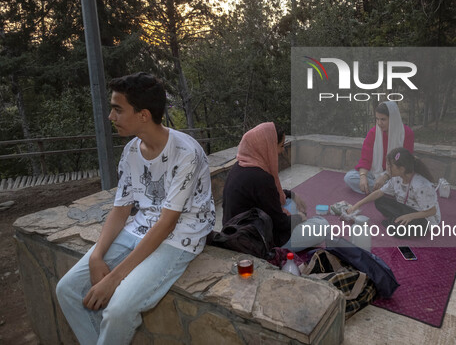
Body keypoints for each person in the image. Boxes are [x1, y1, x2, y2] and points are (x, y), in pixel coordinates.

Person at [56, 73, 215, 345]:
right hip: (140, 227)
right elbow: (121, 208)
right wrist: (97, 256)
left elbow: (167, 224)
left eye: (118, 109)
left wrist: (114, 279)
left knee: (119, 309)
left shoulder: (186, 153)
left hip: (180, 236)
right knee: (67, 289)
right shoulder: (131, 150)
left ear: (143, 115)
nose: (110, 116)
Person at [222, 122, 327, 251]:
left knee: (290, 203)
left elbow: (267, 196)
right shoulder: (261, 178)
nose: (282, 150)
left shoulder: (241, 166)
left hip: (237, 229)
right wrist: (300, 218)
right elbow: (280, 223)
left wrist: (292, 195)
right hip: (256, 241)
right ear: (268, 146)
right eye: (281, 146)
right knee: (322, 225)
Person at [347, 147, 440, 238]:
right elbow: (379, 192)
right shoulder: (396, 178)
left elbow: (432, 211)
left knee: (396, 230)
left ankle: (396, 222)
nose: (387, 168)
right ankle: (396, 220)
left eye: (390, 165)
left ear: (402, 169)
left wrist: (410, 216)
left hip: (423, 217)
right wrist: (358, 204)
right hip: (406, 208)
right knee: (379, 200)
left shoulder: (421, 185)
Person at [344, 101, 415, 194]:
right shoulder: (373, 133)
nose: (379, 123)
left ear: (393, 118)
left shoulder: (406, 133)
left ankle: (379, 191)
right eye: (377, 119)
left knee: (406, 181)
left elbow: (405, 162)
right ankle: (384, 191)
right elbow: (365, 159)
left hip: (395, 174)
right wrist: (363, 177)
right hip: (375, 173)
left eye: (383, 119)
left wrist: (385, 176)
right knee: (349, 177)